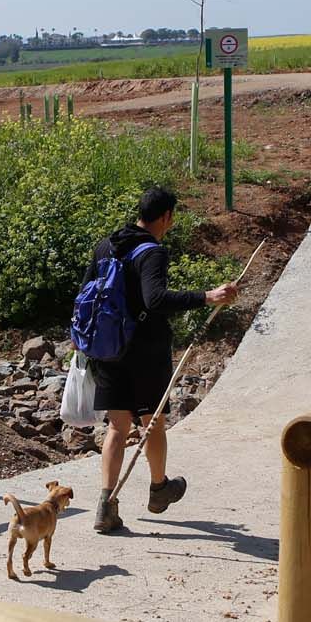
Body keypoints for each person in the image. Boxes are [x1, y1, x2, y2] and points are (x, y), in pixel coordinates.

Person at [86, 186, 238, 533]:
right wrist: (206, 296)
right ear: (166, 216)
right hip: (144, 351)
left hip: (107, 349)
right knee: (151, 420)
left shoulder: (104, 246)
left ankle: (105, 505)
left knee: (115, 426)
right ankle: (158, 489)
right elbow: (155, 300)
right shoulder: (151, 252)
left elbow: (86, 294)